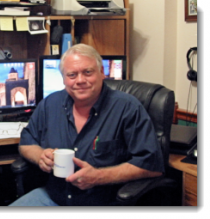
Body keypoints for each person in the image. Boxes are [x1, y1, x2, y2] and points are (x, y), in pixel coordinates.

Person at [10, 44, 164, 206]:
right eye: (72, 75)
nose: (80, 80)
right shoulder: (50, 104)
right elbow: (27, 142)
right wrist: (41, 156)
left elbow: (151, 165)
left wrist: (99, 177)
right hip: (54, 197)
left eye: (88, 72)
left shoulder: (127, 108)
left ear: (102, 73)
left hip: (101, 203)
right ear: (64, 79)